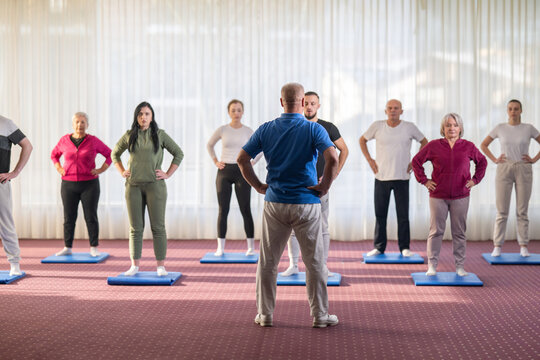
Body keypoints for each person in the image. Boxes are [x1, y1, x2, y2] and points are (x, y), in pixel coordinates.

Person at [237, 82, 339, 328]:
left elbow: (241, 160)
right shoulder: (313, 129)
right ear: (303, 103)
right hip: (306, 203)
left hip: (275, 202)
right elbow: (333, 157)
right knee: (314, 262)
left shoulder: (266, 129)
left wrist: (259, 186)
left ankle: (265, 315)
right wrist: (324, 187)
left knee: (268, 262)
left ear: (281, 102)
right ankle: (320, 316)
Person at [112, 102, 184, 276]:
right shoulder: (129, 135)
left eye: (147, 114)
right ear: (136, 117)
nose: (143, 117)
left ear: (152, 117)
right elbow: (115, 153)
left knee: (158, 227)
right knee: (135, 228)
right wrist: (122, 171)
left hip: (155, 187)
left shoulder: (160, 135)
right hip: (133, 187)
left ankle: (160, 266)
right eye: (140, 114)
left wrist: (167, 173)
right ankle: (134, 266)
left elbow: (178, 153)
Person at [281, 91, 348, 277]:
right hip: (298, 185)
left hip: (321, 186)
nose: (309, 106)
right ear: (301, 105)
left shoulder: (328, 127)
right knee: (293, 228)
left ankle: (323, 266)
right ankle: (293, 265)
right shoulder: (294, 126)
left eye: (313, 103)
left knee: (322, 227)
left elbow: (344, 150)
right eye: (306, 103)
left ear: (318, 106)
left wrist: (332, 175)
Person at [412, 113, 487, 276]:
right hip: (438, 196)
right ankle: (432, 265)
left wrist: (475, 180)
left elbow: (482, 162)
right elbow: (416, 162)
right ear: (443, 129)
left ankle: (460, 266)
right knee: (436, 231)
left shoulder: (468, 146)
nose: (451, 128)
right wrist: (424, 181)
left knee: (459, 232)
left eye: (455, 125)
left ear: (460, 128)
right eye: (448, 125)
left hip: (461, 196)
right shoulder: (434, 146)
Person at [359, 100, 427, 257]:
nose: (393, 111)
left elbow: (424, 142)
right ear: (385, 111)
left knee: (403, 215)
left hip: (402, 177)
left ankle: (404, 247)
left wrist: (415, 161)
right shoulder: (377, 126)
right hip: (381, 177)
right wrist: (370, 160)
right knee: (380, 214)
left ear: (401, 111)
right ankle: (379, 246)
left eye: (396, 108)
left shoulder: (409, 127)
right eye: (390, 108)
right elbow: (362, 140)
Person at [480, 100, 540, 257]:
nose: (513, 111)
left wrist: (534, 159)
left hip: (523, 168)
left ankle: (523, 246)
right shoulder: (500, 128)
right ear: (507, 111)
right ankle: (497, 245)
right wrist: (494, 159)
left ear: (521, 110)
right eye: (510, 109)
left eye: (516, 109)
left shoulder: (528, 128)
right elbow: (484, 144)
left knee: (522, 210)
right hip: (504, 168)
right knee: (502, 210)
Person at [51, 112, 112, 257]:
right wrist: (59, 168)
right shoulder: (65, 140)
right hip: (68, 185)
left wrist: (100, 170)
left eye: (83, 122)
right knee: (69, 217)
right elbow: (54, 155)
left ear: (87, 124)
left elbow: (110, 154)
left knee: (90, 216)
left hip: (89, 185)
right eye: (77, 122)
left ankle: (93, 247)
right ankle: (67, 247)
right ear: (73, 124)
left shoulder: (93, 141)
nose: (80, 125)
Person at [207, 100, 261, 256]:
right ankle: (220, 247)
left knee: (245, 209)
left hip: (242, 171)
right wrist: (216, 161)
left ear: (243, 112)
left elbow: (261, 148)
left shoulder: (248, 131)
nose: (236, 113)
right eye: (233, 110)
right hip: (224, 171)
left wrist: (252, 162)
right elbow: (209, 144)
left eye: (239, 110)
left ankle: (250, 247)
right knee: (223, 209)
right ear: (228, 112)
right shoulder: (223, 129)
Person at [0, 115, 32, 276]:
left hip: (0, 182)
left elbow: (27, 146)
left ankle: (14, 263)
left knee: (5, 223)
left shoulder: (6, 124)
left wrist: (15, 172)